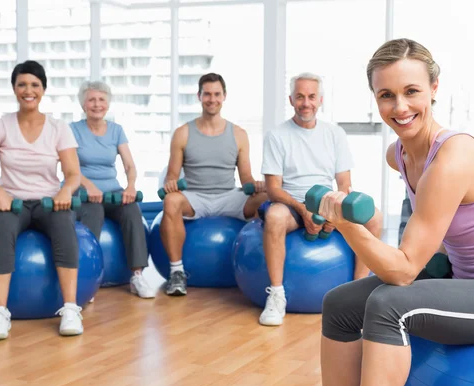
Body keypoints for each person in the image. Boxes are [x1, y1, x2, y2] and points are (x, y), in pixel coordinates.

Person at [318, 38, 474, 386]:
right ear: (375, 98)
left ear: (434, 88)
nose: (400, 106)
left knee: (388, 306)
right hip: (465, 277)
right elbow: (429, 237)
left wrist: (347, 225)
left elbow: (403, 270)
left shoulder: (454, 157)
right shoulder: (399, 154)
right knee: (339, 304)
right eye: (386, 95)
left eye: (411, 91)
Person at [258, 72, 383, 327]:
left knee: (375, 218)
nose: (306, 103)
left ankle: (359, 294)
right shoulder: (277, 135)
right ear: (291, 100)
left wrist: (334, 213)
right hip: (292, 203)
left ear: (320, 100)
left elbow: (344, 183)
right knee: (274, 216)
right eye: (300, 97)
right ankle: (277, 295)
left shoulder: (334, 134)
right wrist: (303, 211)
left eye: (312, 97)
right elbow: (273, 189)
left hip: (327, 203)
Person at [0, 60, 83, 340]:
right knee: (1, 231)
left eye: (35, 85)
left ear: (43, 89)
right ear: (14, 88)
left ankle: (71, 309)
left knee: (64, 228)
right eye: (22, 84)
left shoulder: (59, 128)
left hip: (49, 202)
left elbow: (73, 174)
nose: (28, 90)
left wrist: (64, 191)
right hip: (12, 202)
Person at [160, 72, 268, 296]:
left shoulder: (239, 134)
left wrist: (257, 185)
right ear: (199, 96)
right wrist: (171, 184)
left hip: (229, 196)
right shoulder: (183, 133)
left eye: (217, 94)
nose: (212, 99)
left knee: (267, 199)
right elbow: (171, 176)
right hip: (195, 197)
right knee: (171, 201)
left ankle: (260, 268)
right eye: (207, 94)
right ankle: (177, 273)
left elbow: (245, 179)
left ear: (224, 96)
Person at [70, 81, 155, 299]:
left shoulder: (116, 130)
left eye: (101, 100)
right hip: (83, 193)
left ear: (107, 104)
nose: (96, 104)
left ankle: (137, 275)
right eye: (91, 99)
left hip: (112, 191)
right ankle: (87, 279)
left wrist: (131, 187)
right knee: (94, 212)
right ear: (83, 104)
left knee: (131, 210)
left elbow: (129, 165)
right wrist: (88, 186)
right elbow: (70, 167)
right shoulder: (72, 130)